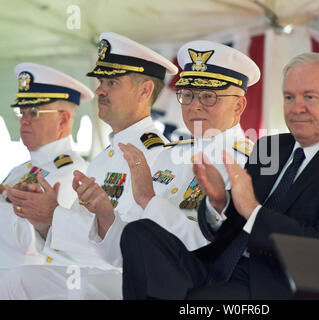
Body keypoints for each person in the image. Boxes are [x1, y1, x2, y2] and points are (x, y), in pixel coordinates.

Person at [120, 52, 319, 300]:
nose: (296, 108)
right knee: (138, 234)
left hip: (275, 286)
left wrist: (253, 210)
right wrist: (219, 203)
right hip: (217, 266)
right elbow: (231, 227)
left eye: (309, 97)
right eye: (289, 97)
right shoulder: (271, 147)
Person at [0, 32, 177, 299]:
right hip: (84, 277)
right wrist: (47, 222)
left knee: (17, 281)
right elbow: (77, 240)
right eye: (101, 81)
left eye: (112, 82)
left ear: (145, 91)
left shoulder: (158, 157)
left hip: (122, 285)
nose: (100, 90)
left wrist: (52, 217)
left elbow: (135, 249)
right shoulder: (103, 159)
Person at [81, 40, 260, 267]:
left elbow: (211, 254)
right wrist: (105, 214)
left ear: (238, 107)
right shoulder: (169, 155)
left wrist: (150, 200)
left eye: (208, 97)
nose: (194, 106)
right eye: (187, 95)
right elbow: (124, 254)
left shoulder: (249, 165)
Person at [0, 62, 92, 270]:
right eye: (21, 112)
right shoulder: (21, 170)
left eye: (33, 112)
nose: (23, 121)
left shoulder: (72, 174)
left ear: (63, 120)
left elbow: (36, 240)